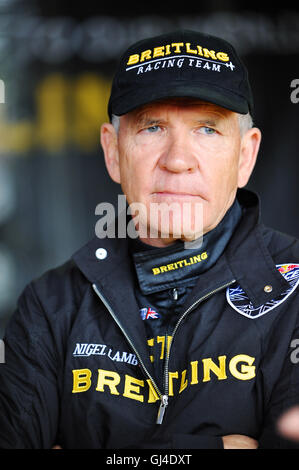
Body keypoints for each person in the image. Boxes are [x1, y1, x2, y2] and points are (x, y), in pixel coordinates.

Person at [0, 29, 299, 450]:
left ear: (245, 156)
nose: (177, 160)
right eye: (153, 127)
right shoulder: (50, 305)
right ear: (113, 152)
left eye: (208, 129)